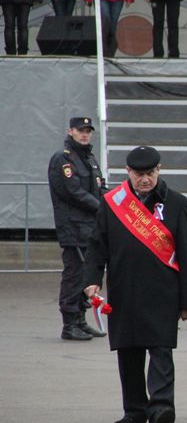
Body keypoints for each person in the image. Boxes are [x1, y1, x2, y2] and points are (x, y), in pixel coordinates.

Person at [83, 146, 187, 423]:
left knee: (161, 351)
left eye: (150, 173)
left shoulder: (176, 203)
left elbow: (185, 252)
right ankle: (134, 411)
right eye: (139, 174)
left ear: (159, 171)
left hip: (163, 292)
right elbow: (98, 245)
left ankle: (160, 408)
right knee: (129, 352)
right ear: (128, 173)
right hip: (125, 289)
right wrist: (92, 278)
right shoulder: (112, 203)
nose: (145, 179)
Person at [48, 116, 107, 341]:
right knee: (75, 274)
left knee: (88, 274)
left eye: (88, 130)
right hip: (73, 228)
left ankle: (80, 320)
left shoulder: (89, 158)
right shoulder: (63, 160)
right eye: (80, 130)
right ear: (70, 131)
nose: (85, 134)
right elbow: (73, 193)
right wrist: (103, 208)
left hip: (90, 227)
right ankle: (69, 323)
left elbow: (98, 188)